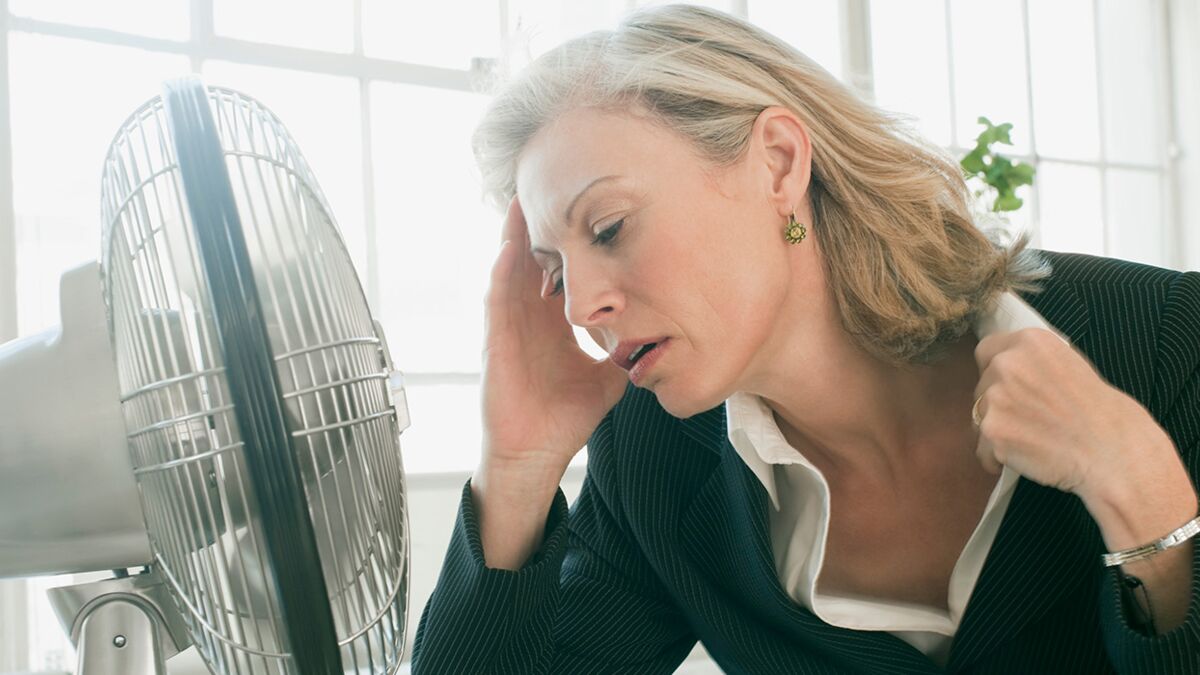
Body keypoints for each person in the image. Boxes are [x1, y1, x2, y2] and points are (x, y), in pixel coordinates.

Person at [411, 5, 1199, 673]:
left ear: (779, 162)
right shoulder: (653, 457)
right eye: (553, 274)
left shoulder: (1166, 341)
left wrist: (1145, 499)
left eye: (610, 228)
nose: (582, 306)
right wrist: (515, 469)